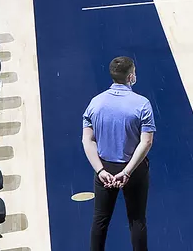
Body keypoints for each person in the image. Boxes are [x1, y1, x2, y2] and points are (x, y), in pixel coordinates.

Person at [83, 55, 156, 251]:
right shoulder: (142, 104)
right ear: (131, 76)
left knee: (100, 220)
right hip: (134, 170)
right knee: (137, 220)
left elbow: (87, 140)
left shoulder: (95, 103)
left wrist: (100, 171)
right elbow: (146, 141)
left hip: (105, 167)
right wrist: (127, 172)